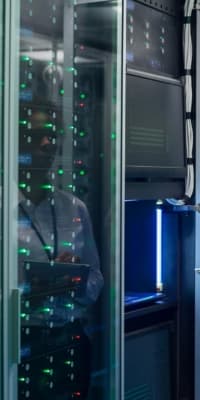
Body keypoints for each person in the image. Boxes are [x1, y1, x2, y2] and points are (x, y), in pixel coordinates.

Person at [17, 99, 103, 399]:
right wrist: (31, 286)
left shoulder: (73, 207)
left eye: (52, 136)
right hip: (19, 344)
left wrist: (76, 279)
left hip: (69, 339)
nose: (47, 143)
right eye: (37, 134)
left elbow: (96, 279)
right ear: (16, 140)